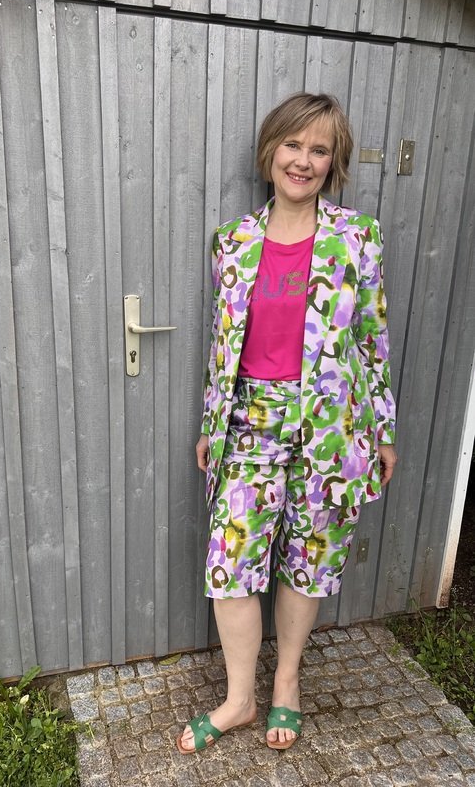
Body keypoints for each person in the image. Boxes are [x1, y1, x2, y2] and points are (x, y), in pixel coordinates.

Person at [177, 92, 397, 754]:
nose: (303, 160)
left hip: (332, 426)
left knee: (309, 561)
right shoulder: (234, 242)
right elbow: (223, 344)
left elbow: (373, 341)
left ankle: (287, 685)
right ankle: (240, 699)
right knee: (231, 562)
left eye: (318, 149)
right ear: (270, 151)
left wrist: (383, 430)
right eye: (292, 145)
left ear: (334, 163)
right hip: (250, 421)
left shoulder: (358, 238)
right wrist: (212, 425)